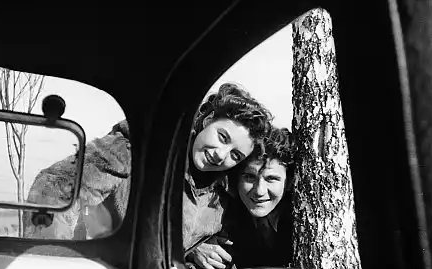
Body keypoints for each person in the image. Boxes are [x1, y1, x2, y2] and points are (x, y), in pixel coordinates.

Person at [24, 83, 273, 246]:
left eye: (235, 155)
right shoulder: (140, 149)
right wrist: (54, 258)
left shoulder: (222, 197)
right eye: (222, 137)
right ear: (207, 120)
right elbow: (56, 187)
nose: (220, 155)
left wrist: (193, 253)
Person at [187, 127, 294, 269]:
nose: (259, 191)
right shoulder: (224, 206)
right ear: (236, 178)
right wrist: (194, 247)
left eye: (271, 179)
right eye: (249, 177)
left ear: (289, 182)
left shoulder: (298, 220)